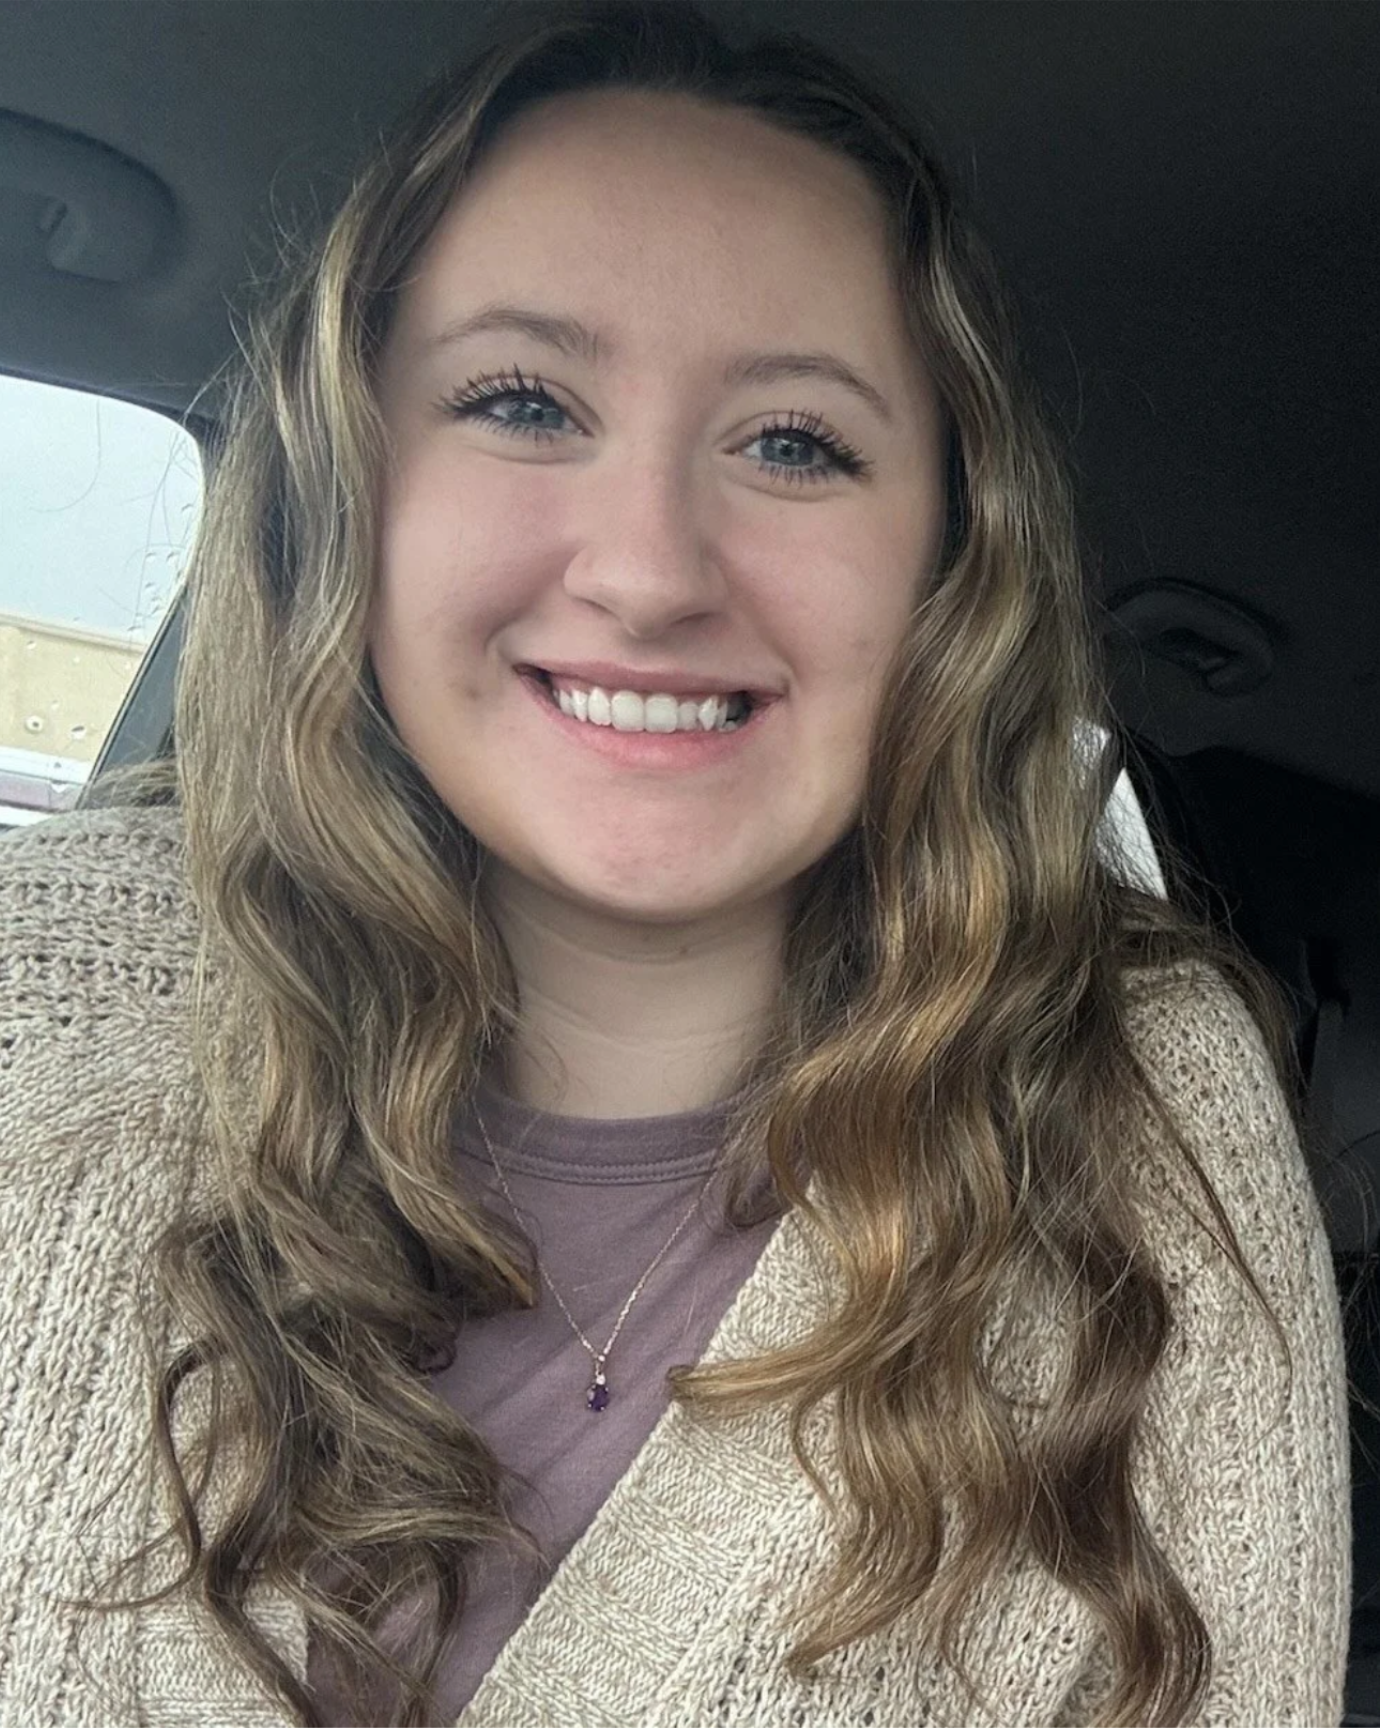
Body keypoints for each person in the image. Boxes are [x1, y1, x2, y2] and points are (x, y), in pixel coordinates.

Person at [0, 2, 1350, 1724]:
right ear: (349, 493)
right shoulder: (37, 1009)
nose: (648, 569)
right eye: (521, 402)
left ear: (946, 562)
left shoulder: (1149, 1143)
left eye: (794, 441)